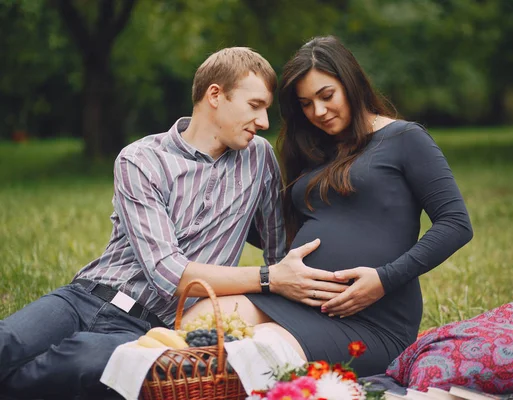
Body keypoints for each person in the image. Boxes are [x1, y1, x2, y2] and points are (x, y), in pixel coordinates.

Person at [0, 47, 349, 399]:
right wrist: (270, 279)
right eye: (255, 105)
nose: (263, 122)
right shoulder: (141, 159)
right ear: (215, 95)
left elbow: (278, 251)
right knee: (6, 343)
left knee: (80, 362)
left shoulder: (258, 158)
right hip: (84, 298)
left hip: (149, 328)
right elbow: (169, 272)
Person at [246, 35, 473, 377]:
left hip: (372, 321)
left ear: (350, 83)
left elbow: (456, 224)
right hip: (296, 301)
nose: (318, 112)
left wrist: (383, 279)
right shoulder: (314, 151)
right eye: (306, 104)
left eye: (326, 96)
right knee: (204, 316)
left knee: (255, 348)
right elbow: (274, 232)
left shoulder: (404, 138)